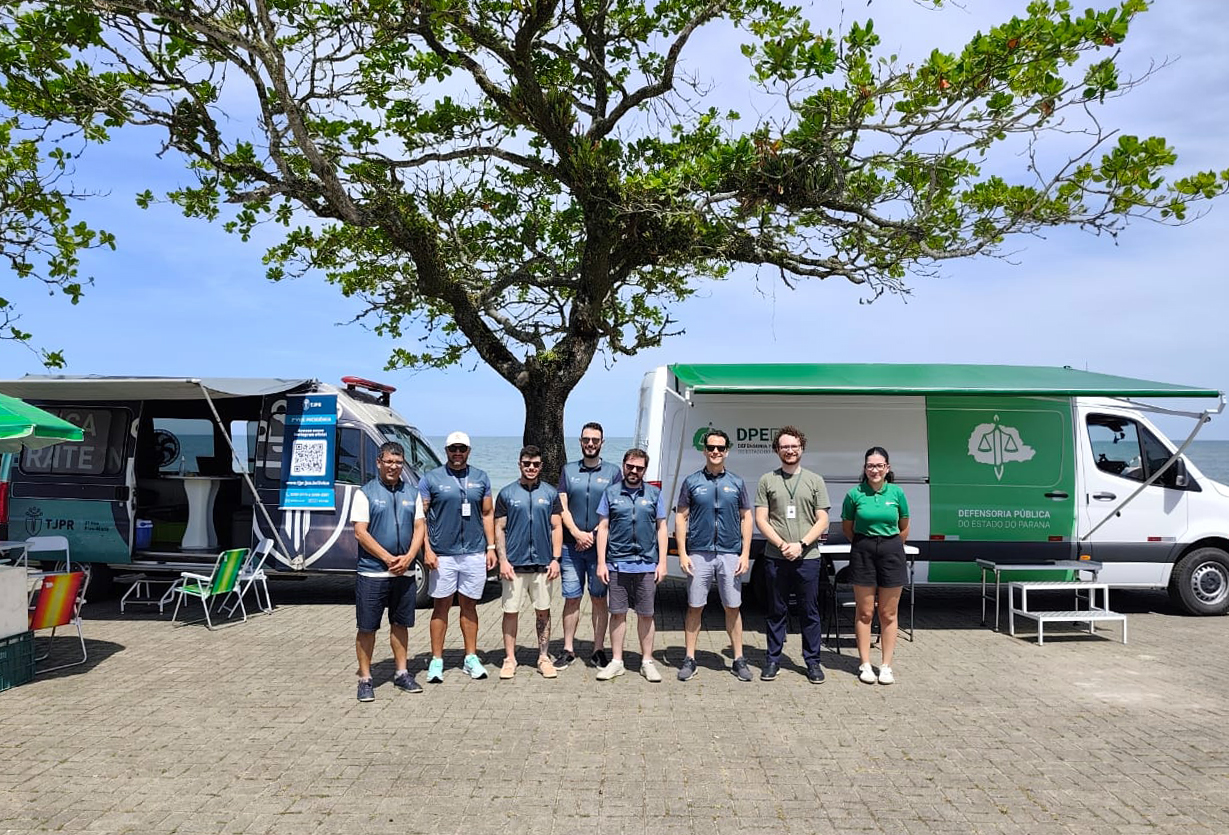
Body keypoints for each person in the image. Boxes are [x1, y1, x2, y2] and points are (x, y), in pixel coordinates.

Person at [753, 426, 831, 683]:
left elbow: (823, 518)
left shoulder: (815, 480)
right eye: (784, 446)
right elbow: (761, 519)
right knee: (776, 610)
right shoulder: (767, 480)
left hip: (807, 558)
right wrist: (782, 544)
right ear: (777, 450)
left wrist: (800, 543)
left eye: (794, 446)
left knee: (810, 612)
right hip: (776, 557)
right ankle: (773, 660)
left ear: (802, 448)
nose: (790, 450)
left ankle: (813, 662)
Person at [675, 429, 753, 682]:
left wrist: (745, 553)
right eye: (711, 448)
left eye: (720, 448)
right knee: (695, 606)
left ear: (727, 450)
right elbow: (680, 516)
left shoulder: (737, 482)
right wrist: (683, 553)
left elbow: (746, 517)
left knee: (733, 606)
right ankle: (689, 658)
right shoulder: (692, 481)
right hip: (699, 553)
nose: (716, 452)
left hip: (730, 554)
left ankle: (739, 659)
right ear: (704, 450)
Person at [351, 441, 426, 701]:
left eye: (398, 462)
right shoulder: (365, 493)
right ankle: (365, 678)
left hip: (404, 572)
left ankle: (402, 673)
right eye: (389, 461)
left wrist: (408, 558)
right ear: (379, 462)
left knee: (401, 624)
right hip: (373, 573)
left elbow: (419, 527)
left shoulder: (412, 492)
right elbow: (360, 532)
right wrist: (386, 557)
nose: (394, 466)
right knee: (367, 627)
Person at [419, 431, 495, 683]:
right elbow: (421, 518)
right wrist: (426, 550)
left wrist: (491, 547)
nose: (458, 453)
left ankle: (470, 657)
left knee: (470, 606)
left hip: (474, 552)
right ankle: (437, 660)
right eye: (453, 449)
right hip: (443, 555)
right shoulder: (431, 479)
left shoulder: (481, 477)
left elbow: (487, 514)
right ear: (446, 450)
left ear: (469, 451)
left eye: (462, 448)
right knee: (441, 607)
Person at [594, 449, 668, 682]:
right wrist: (601, 563)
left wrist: (663, 562)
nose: (634, 471)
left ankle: (647, 661)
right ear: (623, 465)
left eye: (639, 468)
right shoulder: (611, 493)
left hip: (646, 564)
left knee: (646, 615)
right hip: (617, 564)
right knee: (617, 614)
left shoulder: (655, 494)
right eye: (630, 466)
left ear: (645, 470)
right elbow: (603, 528)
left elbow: (662, 528)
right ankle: (617, 661)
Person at [841, 446, 910, 686]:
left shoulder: (897, 493)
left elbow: (904, 526)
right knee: (865, 612)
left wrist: (889, 545)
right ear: (865, 468)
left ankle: (886, 666)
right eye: (870, 465)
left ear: (887, 468)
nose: (875, 470)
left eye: (880, 465)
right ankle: (864, 664)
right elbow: (848, 528)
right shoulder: (854, 494)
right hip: (863, 551)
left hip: (891, 551)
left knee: (888, 613)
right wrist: (867, 544)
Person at [554, 422, 620, 670]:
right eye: (586, 439)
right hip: (572, 548)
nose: (590, 444)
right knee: (571, 598)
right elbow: (562, 506)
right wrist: (576, 533)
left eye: (595, 440)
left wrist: (591, 536)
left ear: (602, 442)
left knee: (598, 598)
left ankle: (598, 649)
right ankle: (568, 649)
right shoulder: (568, 471)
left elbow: (614, 508)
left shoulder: (613, 472)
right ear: (580, 441)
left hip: (599, 548)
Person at [495, 445, 563, 679]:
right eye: (527, 463)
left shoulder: (550, 494)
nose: (531, 468)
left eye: (535, 464)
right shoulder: (506, 493)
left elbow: (556, 527)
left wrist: (556, 559)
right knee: (510, 612)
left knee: (543, 612)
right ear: (520, 464)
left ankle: (544, 657)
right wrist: (502, 560)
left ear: (541, 466)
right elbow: (499, 528)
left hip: (543, 565)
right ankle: (509, 658)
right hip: (514, 565)